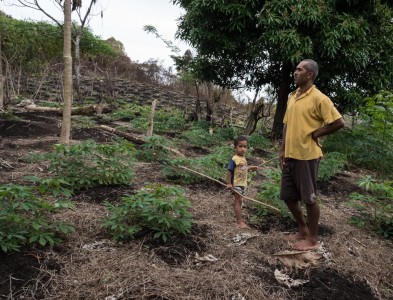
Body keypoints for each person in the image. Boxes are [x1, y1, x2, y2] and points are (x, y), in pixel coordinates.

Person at [280, 59, 345, 250]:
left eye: (299, 70)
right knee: (288, 196)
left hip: (307, 156)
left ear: (310, 74)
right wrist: (282, 149)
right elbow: (286, 124)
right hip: (291, 154)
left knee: (309, 198)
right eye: (295, 69)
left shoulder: (319, 98)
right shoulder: (292, 96)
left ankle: (312, 239)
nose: (295, 72)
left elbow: (338, 122)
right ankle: (302, 229)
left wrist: (317, 133)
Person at [226, 136, 258, 228]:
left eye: (245, 147)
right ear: (235, 147)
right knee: (238, 201)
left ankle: (239, 220)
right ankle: (239, 222)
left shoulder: (243, 159)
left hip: (243, 184)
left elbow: (243, 168)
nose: (243, 149)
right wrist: (228, 183)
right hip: (236, 183)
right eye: (240, 146)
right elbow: (229, 171)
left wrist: (251, 168)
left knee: (239, 201)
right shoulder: (234, 159)